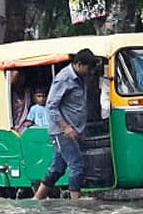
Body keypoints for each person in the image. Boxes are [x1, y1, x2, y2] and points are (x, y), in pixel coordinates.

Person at [33, 49, 97, 201]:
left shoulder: (80, 78)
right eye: (88, 68)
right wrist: (66, 127)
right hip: (63, 132)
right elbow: (51, 106)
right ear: (79, 64)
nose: (90, 72)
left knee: (57, 169)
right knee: (77, 166)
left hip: (73, 131)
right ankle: (76, 203)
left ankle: (37, 199)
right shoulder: (64, 78)